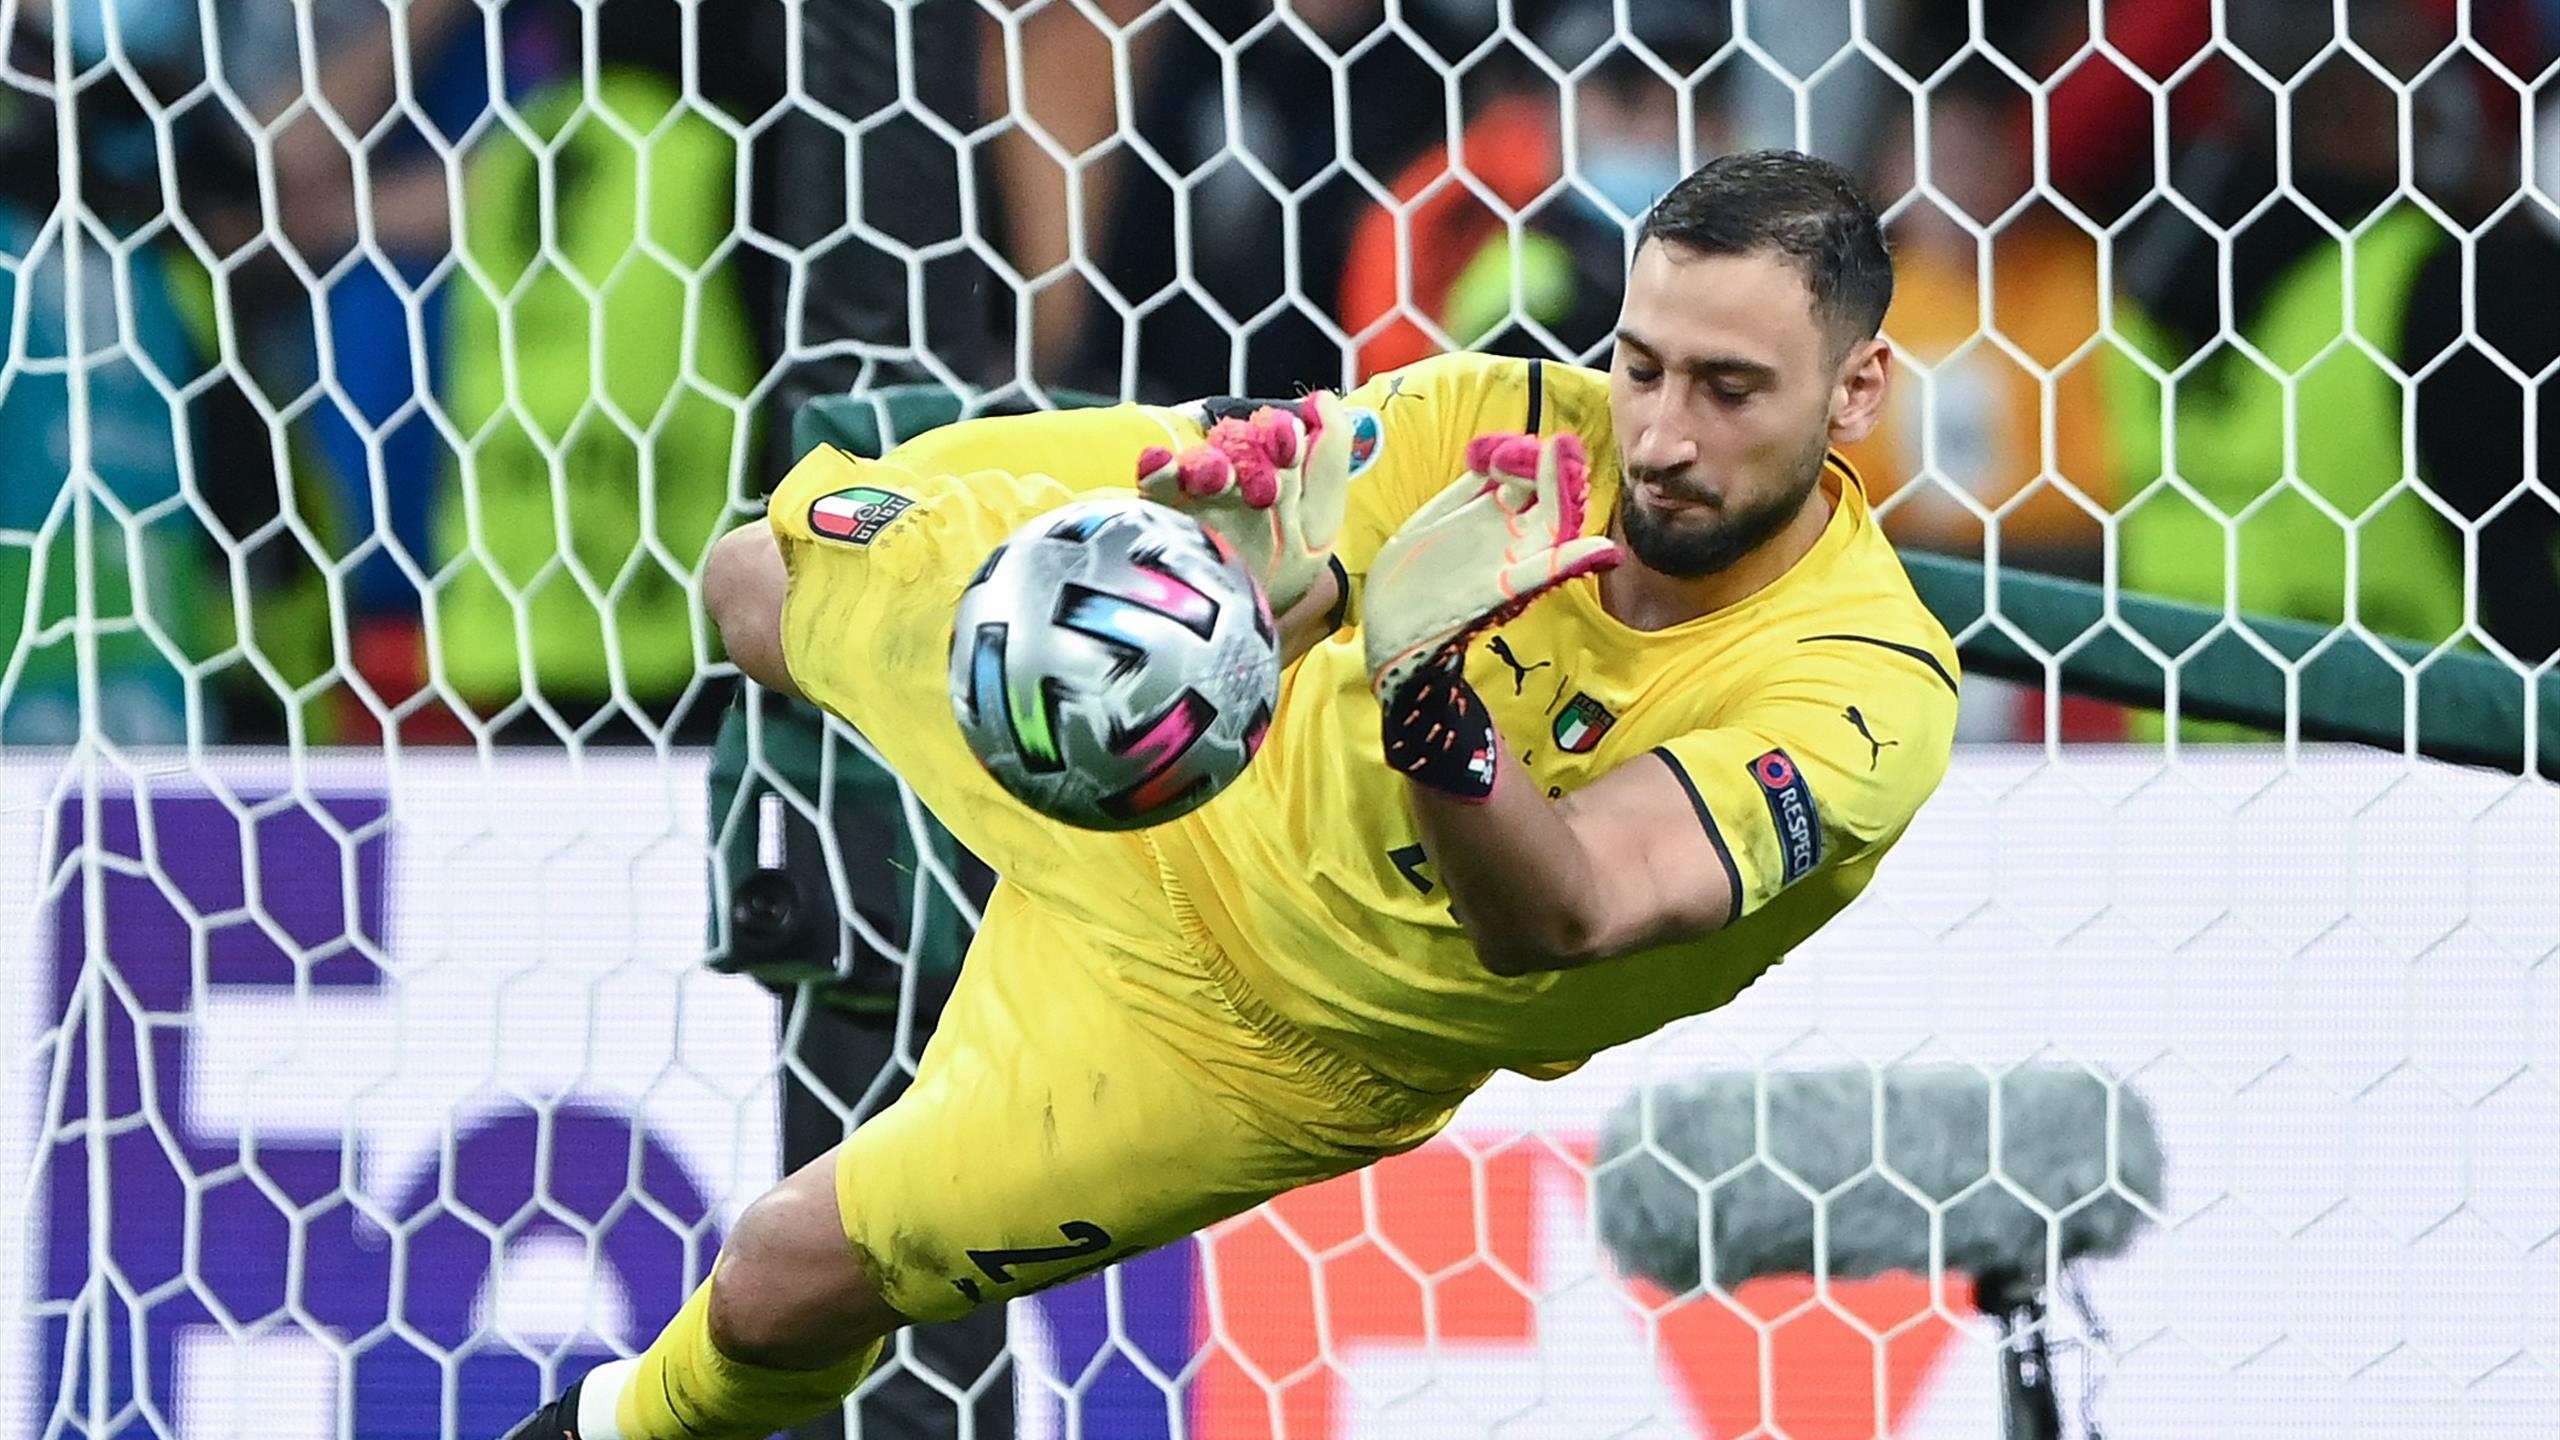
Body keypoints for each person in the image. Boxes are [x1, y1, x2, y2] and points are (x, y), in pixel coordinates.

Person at [496, 149, 1962, 1440]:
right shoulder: (1506, 423)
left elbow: (1564, 915)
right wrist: (1246, 586)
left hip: (1261, 1041)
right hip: (1180, 771)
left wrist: (1428, 699)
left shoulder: (1864, 686)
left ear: (1857, 388)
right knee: (766, 573)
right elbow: (1306, 560)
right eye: (1641, 366)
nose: (1659, 437)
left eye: (1729, 388)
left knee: (778, 1279)